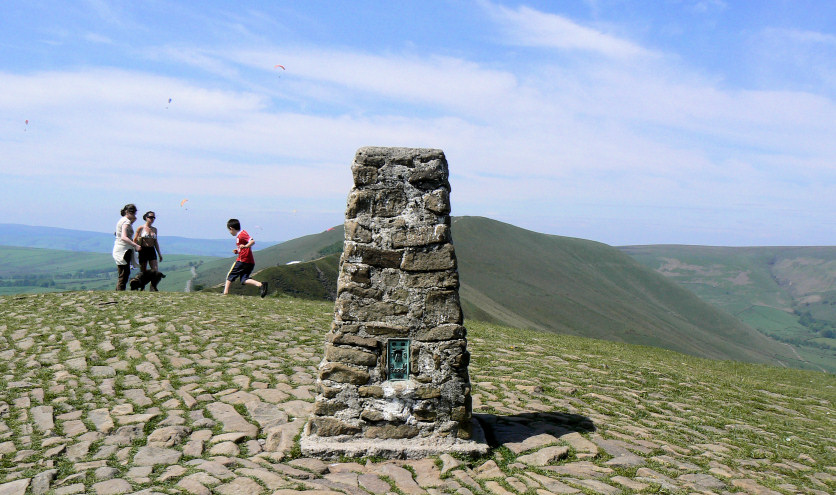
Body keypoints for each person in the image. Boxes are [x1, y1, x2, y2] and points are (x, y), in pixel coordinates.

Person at [223, 218, 268, 297]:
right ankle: (261, 285)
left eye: (229, 230)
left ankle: (225, 293)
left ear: (231, 228)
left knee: (230, 275)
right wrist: (238, 250)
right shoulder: (240, 235)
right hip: (250, 262)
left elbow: (252, 241)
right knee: (244, 280)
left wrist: (245, 246)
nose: (230, 232)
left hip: (242, 260)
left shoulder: (242, 234)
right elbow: (243, 247)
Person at [112, 204, 141, 291]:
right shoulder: (126, 222)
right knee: (124, 273)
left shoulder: (122, 220)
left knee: (123, 272)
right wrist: (135, 245)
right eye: (132, 213)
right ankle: (120, 292)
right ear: (127, 212)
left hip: (120, 248)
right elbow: (124, 237)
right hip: (124, 250)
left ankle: (118, 291)